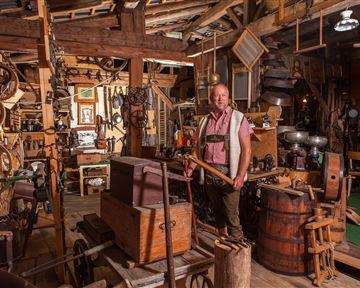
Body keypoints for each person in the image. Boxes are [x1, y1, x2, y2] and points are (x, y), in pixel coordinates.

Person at [186, 83, 253, 238]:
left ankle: (237, 252)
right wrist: (191, 167)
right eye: (216, 95)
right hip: (209, 175)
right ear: (211, 99)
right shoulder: (204, 122)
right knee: (218, 216)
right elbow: (197, 148)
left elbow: (247, 150)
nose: (220, 98)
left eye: (223, 95)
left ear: (228, 98)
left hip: (229, 176)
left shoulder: (238, 118)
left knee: (232, 218)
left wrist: (241, 175)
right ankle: (223, 245)